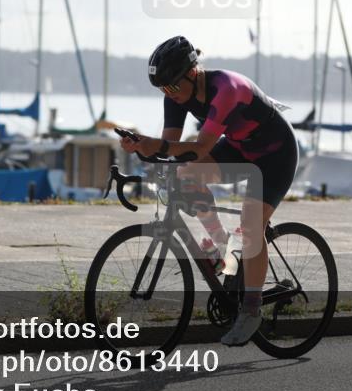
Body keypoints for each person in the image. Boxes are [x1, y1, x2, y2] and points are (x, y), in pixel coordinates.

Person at [119, 36, 299, 346]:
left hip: (276, 154)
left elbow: (200, 146)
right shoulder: (174, 96)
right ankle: (223, 251)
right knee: (187, 177)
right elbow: (171, 151)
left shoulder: (226, 88)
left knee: (251, 222)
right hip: (241, 147)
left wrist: (156, 145)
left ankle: (252, 310)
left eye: (172, 87)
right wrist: (140, 149)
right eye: (162, 90)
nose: (169, 95)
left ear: (192, 73)